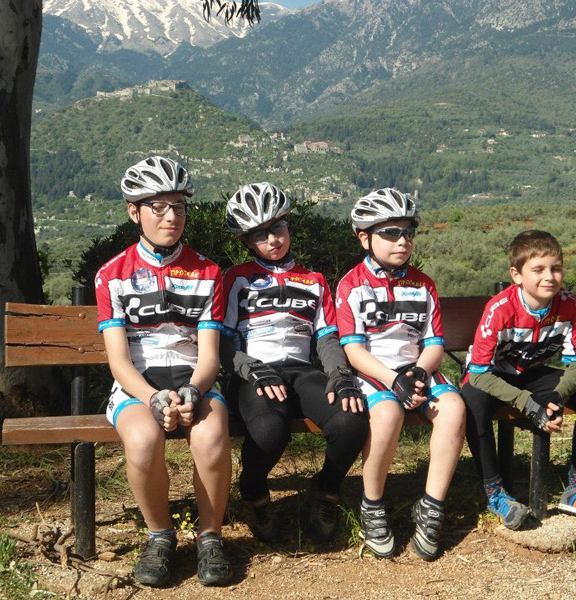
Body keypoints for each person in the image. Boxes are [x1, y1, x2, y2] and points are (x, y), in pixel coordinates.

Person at [95, 156, 232, 587]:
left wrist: (194, 391)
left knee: (211, 436)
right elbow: (119, 361)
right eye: (158, 207)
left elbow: (209, 356)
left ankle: (210, 536)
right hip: (138, 382)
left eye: (178, 206)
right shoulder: (112, 275)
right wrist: (151, 397)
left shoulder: (208, 272)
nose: (171, 216)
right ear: (134, 212)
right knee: (143, 440)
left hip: (193, 377)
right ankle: (160, 535)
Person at [221, 182, 369, 545]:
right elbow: (221, 341)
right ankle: (254, 493)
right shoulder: (236, 279)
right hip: (255, 374)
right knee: (269, 431)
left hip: (302, 371)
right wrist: (249, 368)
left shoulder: (314, 281)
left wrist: (340, 375)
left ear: (288, 225)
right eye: (259, 235)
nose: (272, 239)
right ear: (246, 241)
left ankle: (326, 490)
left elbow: (327, 337)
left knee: (351, 417)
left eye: (277, 228)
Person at [335, 188, 466, 561]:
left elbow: (434, 343)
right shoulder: (351, 285)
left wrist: (420, 371)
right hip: (373, 371)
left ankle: (431, 507)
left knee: (454, 408)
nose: (402, 240)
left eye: (408, 232)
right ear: (364, 238)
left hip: (417, 367)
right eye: (391, 232)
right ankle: (372, 504)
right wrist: (395, 381)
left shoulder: (424, 284)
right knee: (388, 414)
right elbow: (354, 351)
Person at [461, 229, 576, 530]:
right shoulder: (500, 309)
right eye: (538, 270)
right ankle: (494, 491)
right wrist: (528, 404)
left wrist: (556, 396)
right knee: (473, 403)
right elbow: (477, 374)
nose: (549, 277)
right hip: (489, 376)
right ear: (517, 275)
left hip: (530, 374)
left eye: (556, 268)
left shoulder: (568, 304)